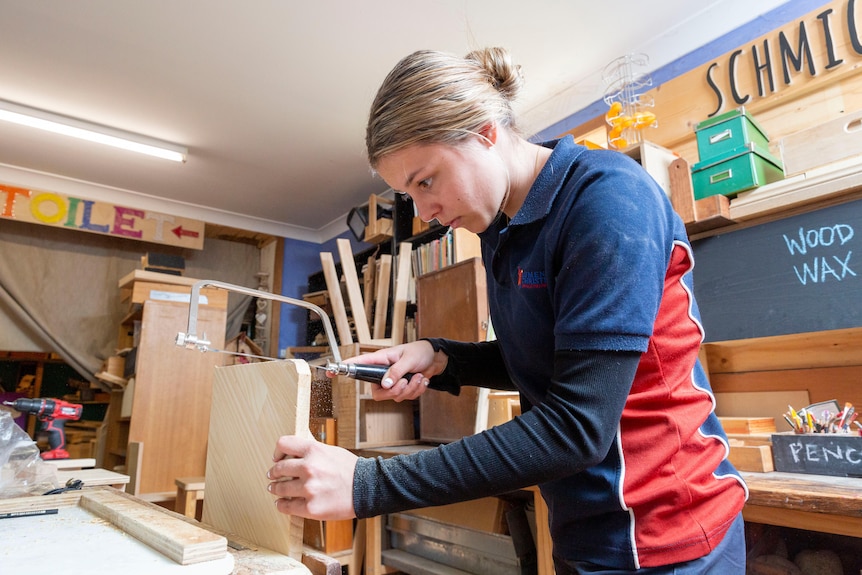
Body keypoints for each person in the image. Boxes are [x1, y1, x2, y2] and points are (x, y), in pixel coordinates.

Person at [268, 47, 748, 574]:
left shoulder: (607, 201)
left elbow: (577, 425)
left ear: (484, 132)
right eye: (408, 194)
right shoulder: (501, 229)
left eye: (425, 180)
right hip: (583, 526)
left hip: (667, 531)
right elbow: (554, 357)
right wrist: (443, 358)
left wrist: (368, 483)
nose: (423, 211)